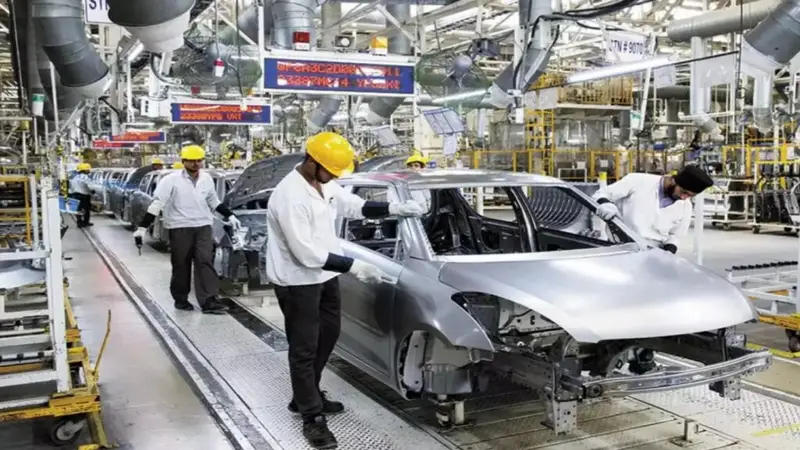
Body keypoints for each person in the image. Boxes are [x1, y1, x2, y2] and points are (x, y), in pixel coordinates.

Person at [265, 132, 425, 449]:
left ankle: (306, 394)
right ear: (312, 162)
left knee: (329, 334)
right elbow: (305, 253)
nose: (336, 177)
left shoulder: (323, 182)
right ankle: (311, 416)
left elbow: (353, 205)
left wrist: (394, 207)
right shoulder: (289, 197)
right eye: (332, 171)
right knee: (304, 347)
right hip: (297, 281)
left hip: (324, 276)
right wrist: (354, 266)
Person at [132, 145, 241, 314]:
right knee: (181, 264)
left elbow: (213, 201)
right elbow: (157, 204)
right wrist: (142, 227)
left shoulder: (206, 179)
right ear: (183, 161)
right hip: (179, 227)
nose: (196, 164)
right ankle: (181, 299)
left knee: (205, 262)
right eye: (191, 161)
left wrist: (230, 215)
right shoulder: (170, 180)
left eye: (199, 160)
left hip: (203, 226)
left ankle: (209, 300)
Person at [593, 164, 714, 254]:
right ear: (673, 180)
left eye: (690, 196)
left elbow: (675, 235)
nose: (684, 197)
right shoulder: (638, 181)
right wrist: (606, 204)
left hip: (653, 253)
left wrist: (669, 251)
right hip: (620, 248)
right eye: (683, 192)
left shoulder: (685, 205)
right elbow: (601, 194)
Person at [69, 163, 94, 228]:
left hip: (75, 194)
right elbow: (90, 186)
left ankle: (79, 223)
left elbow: (71, 186)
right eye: (88, 169)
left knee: (78, 209)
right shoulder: (85, 177)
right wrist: (93, 191)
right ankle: (86, 222)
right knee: (86, 209)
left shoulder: (75, 177)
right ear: (85, 170)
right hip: (84, 195)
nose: (89, 171)